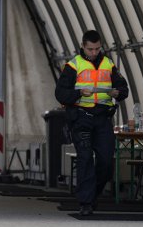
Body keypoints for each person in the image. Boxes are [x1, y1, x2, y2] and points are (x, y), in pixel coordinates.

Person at [55, 29, 129, 216]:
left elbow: (123, 88)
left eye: (97, 49)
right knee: (85, 158)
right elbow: (61, 94)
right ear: (83, 46)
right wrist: (79, 93)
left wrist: (117, 92)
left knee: (106, 162)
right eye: (90, 49)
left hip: (103, 119)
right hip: (81, 118)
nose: (94, 53)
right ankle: (85, 203)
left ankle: (91, 194)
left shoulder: (108, 64)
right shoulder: (73, 66)